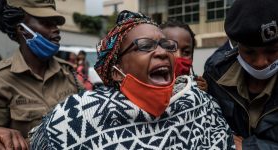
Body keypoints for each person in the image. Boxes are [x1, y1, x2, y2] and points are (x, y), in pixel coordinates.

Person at [29, 10, 234, 149]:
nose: (163, 52)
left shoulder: (199, 104)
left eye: (166, 45)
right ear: (117, 70)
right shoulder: (78, 115)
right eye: (145, 45)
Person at [0, 0, 81, 139]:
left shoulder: (68, 73)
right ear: (22, 30)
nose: (56, 29)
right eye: (46, 23)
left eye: (55, 23)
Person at [203, 0, 278, 149]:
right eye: (250, 52)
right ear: (237, 47)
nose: (261, 62)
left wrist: (248, 147)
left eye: (272, 51)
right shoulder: (216, 74)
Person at [160, 20, 208, 91]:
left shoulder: (196, 85)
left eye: (186, 52)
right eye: (170, 48)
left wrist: (203, 93)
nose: (178, 56)